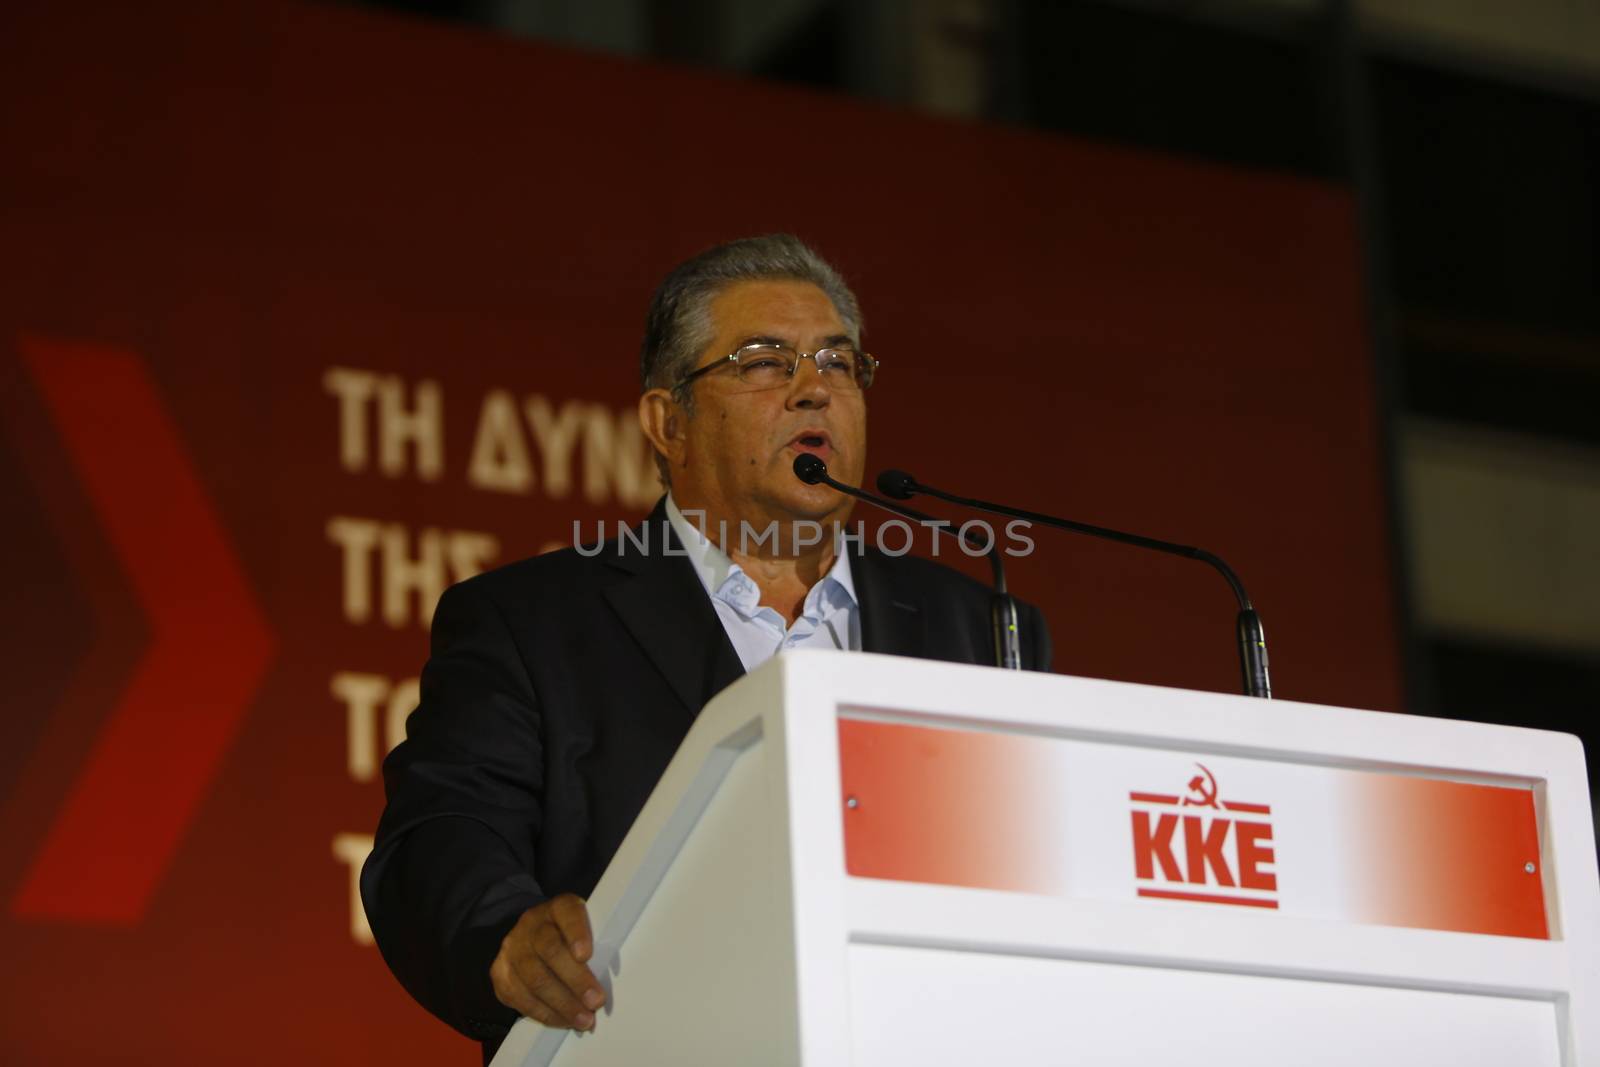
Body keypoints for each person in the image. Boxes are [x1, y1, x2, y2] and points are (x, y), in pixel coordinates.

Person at [360, 234, 1050, 1061]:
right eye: (766, 361)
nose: (814, 391)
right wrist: (502, 931)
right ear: (667, 422)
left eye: (838, 361)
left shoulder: (982, 629)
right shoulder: (532, 622)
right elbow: (442, 828)